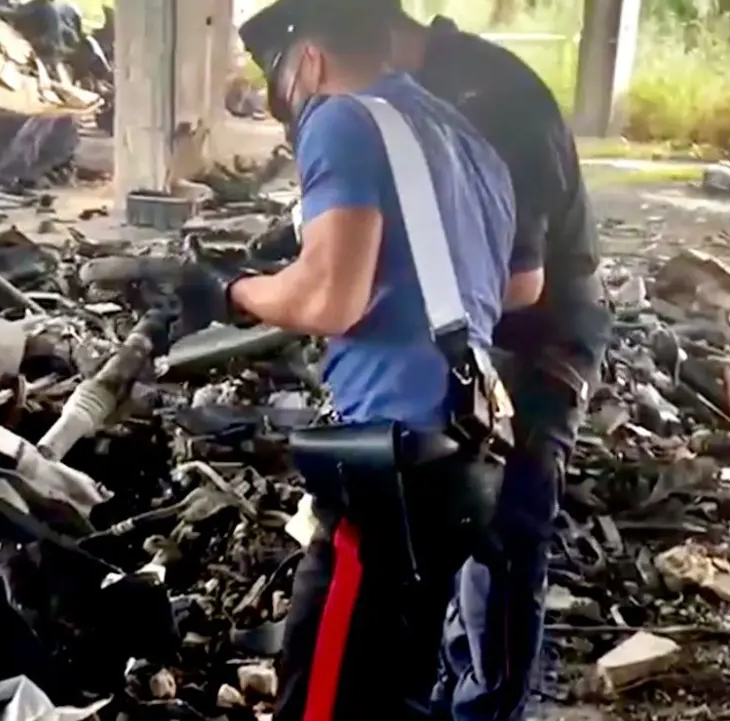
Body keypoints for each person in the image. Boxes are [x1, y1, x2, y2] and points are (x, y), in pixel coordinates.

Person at [177, 0, 537, 718]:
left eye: (283, 80)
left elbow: (331, 297)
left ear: (308, 59)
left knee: (326, 695)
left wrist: (229, 291)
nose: (289, 101)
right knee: (394, 683)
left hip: (390, 471)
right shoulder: (468, 139)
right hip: (467, 454)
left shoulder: (342, 119)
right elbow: (521, 286)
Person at [368, 7, 613, 721]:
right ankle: (458, 686)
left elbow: (518, 280)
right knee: (461, 526)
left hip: (538, 345)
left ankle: (489, 708)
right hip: (474, 339)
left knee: (504, 539)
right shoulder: (416, 91)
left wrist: (379, 294)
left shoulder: (491, 100)